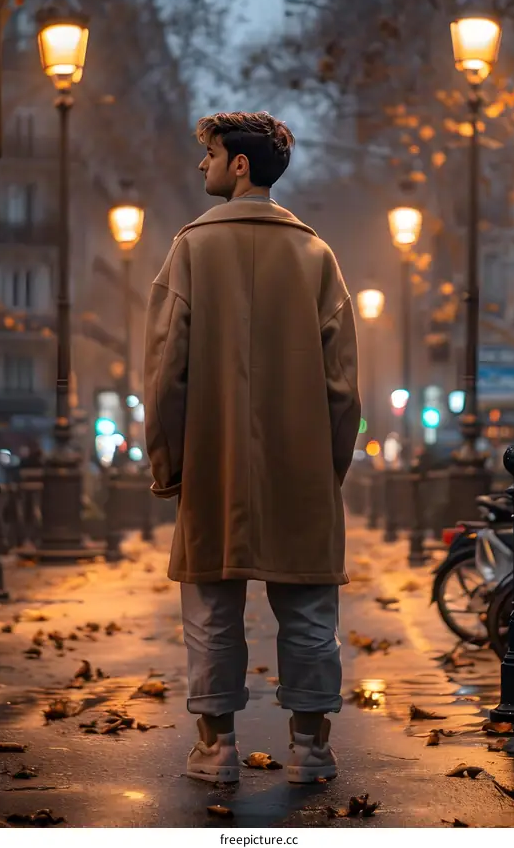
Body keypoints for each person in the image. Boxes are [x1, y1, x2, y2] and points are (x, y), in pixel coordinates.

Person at [144, 111, 361, 785]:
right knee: (310, 612)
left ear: (238, 165)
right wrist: (327, 469)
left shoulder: (191, 250)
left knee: (212, 610)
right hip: (302, 469)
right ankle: (312, 748)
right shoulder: (317, 257)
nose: (201, 164)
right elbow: (344, 387)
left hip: (215, 464)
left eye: (209, 153)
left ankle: (216, 751)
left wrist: (169, 466)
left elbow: (166, 373)